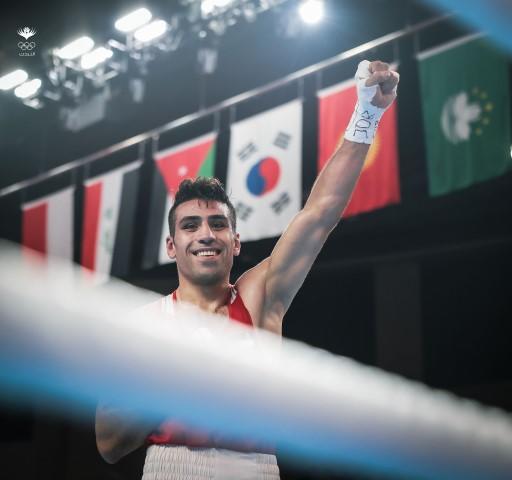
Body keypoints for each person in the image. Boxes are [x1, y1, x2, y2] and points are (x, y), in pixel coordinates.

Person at [95, 59, 399, 479]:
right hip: (172, 466)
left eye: (218, 224)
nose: (206, 234)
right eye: (190, 225)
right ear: (172, 246)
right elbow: (109, 445)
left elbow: (319, 214)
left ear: (235, 242)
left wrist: (367, 113)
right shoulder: (142, 326)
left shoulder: (261, 297)